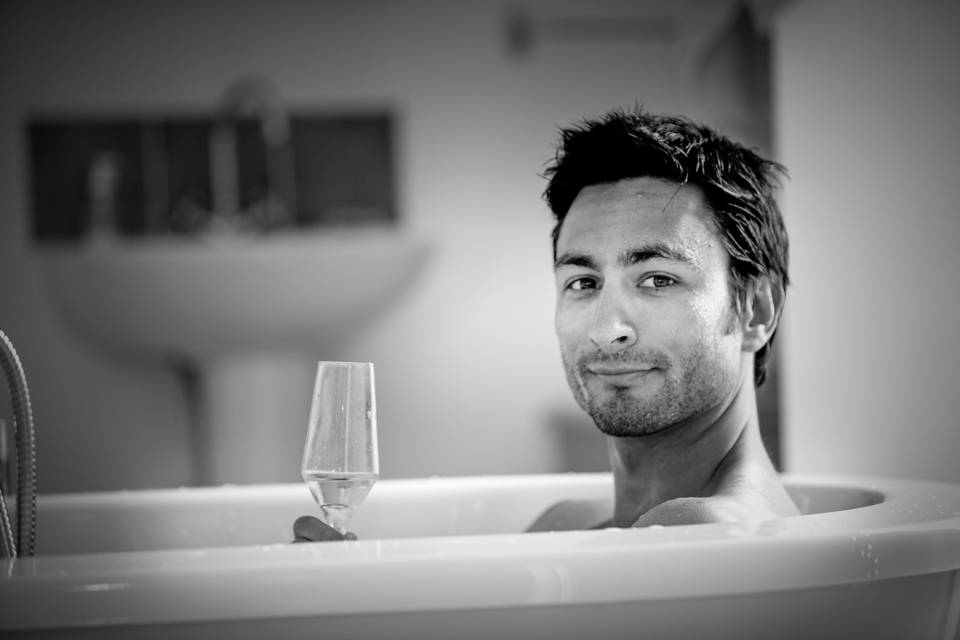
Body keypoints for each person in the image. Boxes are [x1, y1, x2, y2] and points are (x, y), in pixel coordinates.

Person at [292, 106, 798, 543]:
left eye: (658, 279)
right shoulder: (567, 525)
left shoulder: (700, 530)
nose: (608, 330)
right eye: (583, 282)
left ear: (756, 310)